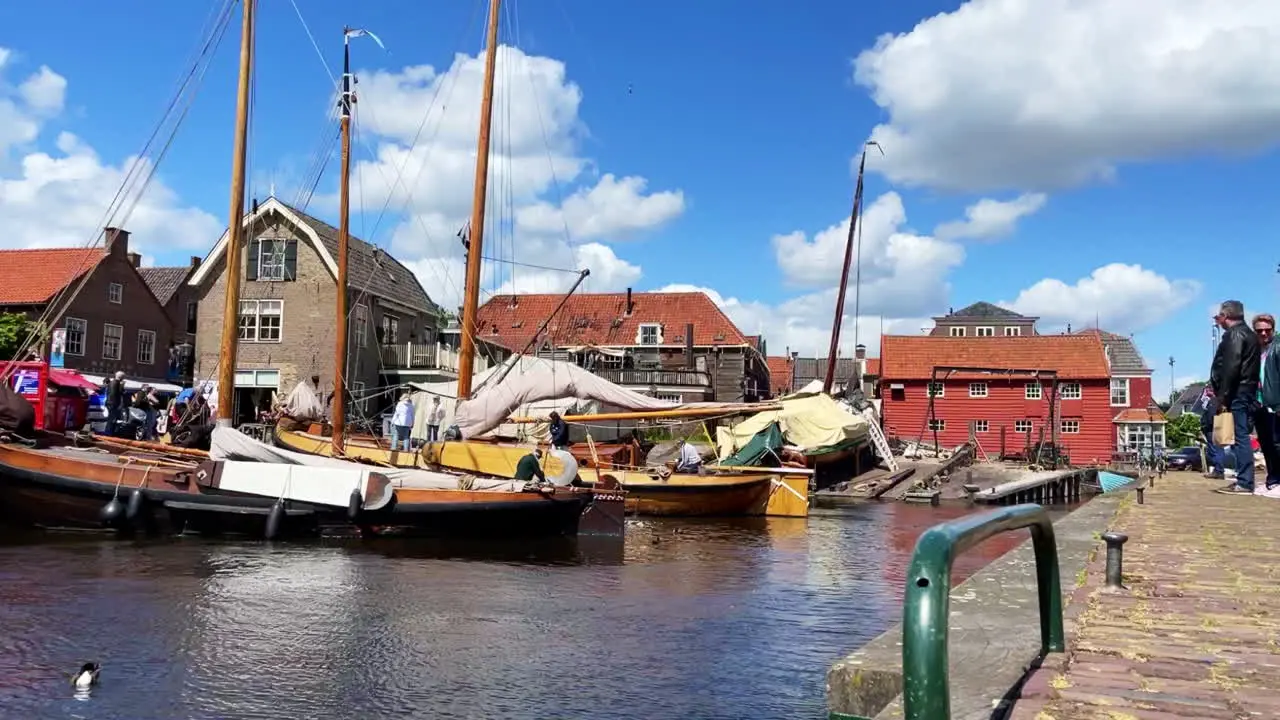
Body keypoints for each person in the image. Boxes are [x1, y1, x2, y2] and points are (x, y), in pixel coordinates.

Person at [1209, 300, 1261, 495]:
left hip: (1238, 391)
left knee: (1240, 436)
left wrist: (1222, 395)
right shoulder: (1248, 334)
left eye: (1219, 316)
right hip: (1244, 389)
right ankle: (1243, 479)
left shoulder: (1236, 334)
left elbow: (1232, 365)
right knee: (1240, 435)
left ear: (1226, 316)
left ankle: (1245, 482)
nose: (1218, 321)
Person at [1253, 313, 1280, 495]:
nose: (1263, 334)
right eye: (1259, 330)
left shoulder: (1277, 348)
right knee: (1266, 443)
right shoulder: (1256, 351)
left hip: (1276, 402)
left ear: (1273, 330)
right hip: (1260, 403)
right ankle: (1272, 479)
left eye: (1267, 330)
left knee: (1277, 442)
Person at [104, 371, 126, 436]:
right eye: (123, 377)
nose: (124, 378)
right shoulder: (117, 383)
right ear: (121, 377)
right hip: (113, 404)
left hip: (109, 402)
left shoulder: (111, 382)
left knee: (111, 419)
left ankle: (108, 433)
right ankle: (108, 433)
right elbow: (119, 393)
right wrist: (122, 385)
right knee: (112, 419)